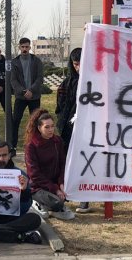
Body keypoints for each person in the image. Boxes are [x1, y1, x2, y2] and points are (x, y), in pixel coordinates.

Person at [55, 48, 89, 213]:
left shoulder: (94, 81)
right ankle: (69, 190)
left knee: (86, 162)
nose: (78, 68)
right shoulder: (67, 83)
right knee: (68, 161)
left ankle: (85, 197)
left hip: (88, 128)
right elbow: (60, 106)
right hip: (69, 128)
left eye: (81, 64)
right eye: (75, 64)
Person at [24, 109, 75, 220]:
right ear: (39, 128)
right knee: (57, 203)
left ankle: (54, 205)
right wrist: (55, 189)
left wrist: (61, 183)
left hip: (55, 183)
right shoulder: (31, 145)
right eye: (47, 127)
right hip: (38, 186)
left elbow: (63, 164)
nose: (51, 130)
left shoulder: (57, 141)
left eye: (52, 126)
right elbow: (34, 174)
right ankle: (36, 202)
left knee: (67, 194)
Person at [10, 37, 44, 149]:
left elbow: (39, 78)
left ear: (30, 47)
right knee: (15, 121)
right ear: (19, 47)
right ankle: (12, 146)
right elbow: (13, 80)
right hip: (20, 97)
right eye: (23, 47)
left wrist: (31, 90)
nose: (25, 49)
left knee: (36, 121)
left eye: (27, 47)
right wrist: (23, 91)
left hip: (34, 97)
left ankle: (36, 144)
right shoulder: (14, 62)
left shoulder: (36, 61)